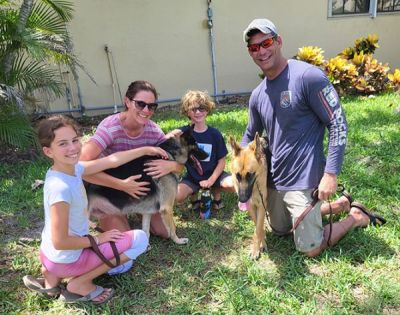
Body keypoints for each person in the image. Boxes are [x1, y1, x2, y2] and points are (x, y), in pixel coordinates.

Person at [241, 18, 386, 257]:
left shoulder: (308, 77)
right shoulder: (258, 95)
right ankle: (338, 205)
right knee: (279, 230)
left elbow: (337, 123)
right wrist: (239, 171)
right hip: (275, 180)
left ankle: (355, 217)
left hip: (305, 177)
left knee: (310, 248)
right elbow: (250, 134)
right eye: (254, 47)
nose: (261, 51)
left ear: (278, 41)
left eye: (266, 42)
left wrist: (330, 174)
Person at [23, 115, 168, 304]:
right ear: (48, 151)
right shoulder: (61, 188)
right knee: (139, 240)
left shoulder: (68, 169)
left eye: (75, 140)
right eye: (63, 144)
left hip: (49, 256)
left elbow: (112, 160)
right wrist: (98, 239)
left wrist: (145, 149)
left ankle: (51, 280)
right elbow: (61, 241)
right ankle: (80, 283)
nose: (73, 148)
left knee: (118, 246)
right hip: (66, 258)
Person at [80, 81, 183, 241]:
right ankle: (110, 216)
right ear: (127, 101)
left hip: (140, 192)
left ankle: (136, 210)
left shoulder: (153, 130)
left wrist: (173, 165)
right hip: (108, 191)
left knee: (164, 232)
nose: (146, 111)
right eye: (140, 104)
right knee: (124, 240)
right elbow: (79, 168)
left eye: (151, 106)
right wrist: (121, 185)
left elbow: (175, 162)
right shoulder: (110, 128)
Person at [174, 90, 234, 218]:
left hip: (214, 175)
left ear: (207, 110)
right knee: (177, 196)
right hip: (193, 177)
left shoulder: (215, 134)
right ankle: (194, 197)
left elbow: (221, 161)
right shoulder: (185, 133)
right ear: (187, 112)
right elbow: (171, 135)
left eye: (201, 108)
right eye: (193, 109)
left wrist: (211, 180)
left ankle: (216, 195)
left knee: (233, 184)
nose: (198, 112)